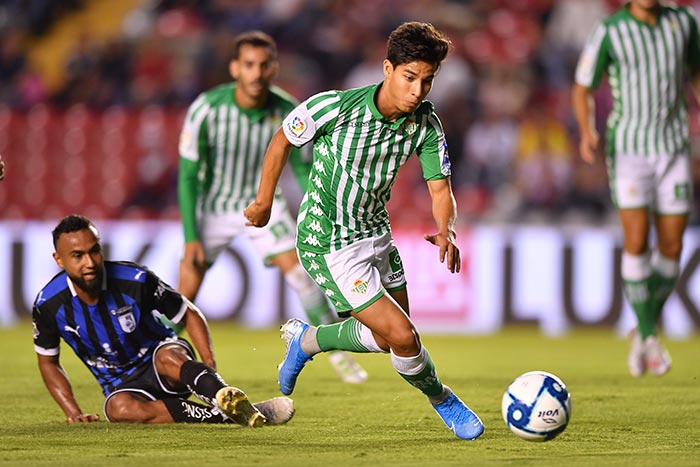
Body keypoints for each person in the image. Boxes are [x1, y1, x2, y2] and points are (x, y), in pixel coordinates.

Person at [244, 22, 484, 440]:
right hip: (328, 241)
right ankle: (443, 399)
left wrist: (446, 229)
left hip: (376, 231)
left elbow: (441, 187)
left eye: (427, 81)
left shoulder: (426, 124)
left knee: (390, 339)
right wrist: (264, 201)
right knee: (404, 336)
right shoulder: (334, 107)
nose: (417, 91)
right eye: (410, 78)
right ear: (387, 69)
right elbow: (282, 139)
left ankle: (308, 341)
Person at [177, 30, 367, 385]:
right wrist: (191, 236)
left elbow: (304, 168)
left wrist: (323, 209)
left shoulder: (287, 110)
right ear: (235, 68)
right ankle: (163, 350)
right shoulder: (206, 109)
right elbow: (187, 175)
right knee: (186, 285)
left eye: (264, 65)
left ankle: (339, 355)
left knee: (300, 276)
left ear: (274, 68)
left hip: (265, 203)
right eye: (248, 65)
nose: (256, 73)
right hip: (214, 207)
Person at [33, 214, 294, 425]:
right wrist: (72, 410)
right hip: (122, 386)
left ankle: (221, 393)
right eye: (78, 256)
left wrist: (209, 365)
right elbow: (48, 361)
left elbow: (188, 313)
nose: (89, 262)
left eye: (94, 251)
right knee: (118, 409)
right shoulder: (48, 305)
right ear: (59, 260)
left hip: (160, 358)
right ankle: (235, 413)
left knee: (169, 357)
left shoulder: (134, 280)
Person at [572, 0, 700, 377]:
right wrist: (587, 130)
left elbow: (695, 71)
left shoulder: (684, 23)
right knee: (638, 240)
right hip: (629, 151)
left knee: (673, 246)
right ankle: (649, 335)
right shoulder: (611, 31)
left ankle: (642, 331)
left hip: (675, 147)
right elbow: (582, 87)